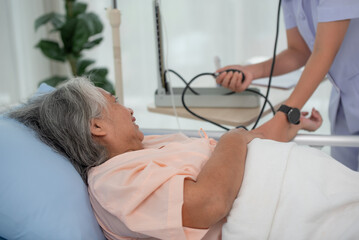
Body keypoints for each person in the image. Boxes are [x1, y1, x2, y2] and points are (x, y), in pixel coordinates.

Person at [7, 78, 324, 239]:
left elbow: (242, 150)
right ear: (97, 126)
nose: (129, 109)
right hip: (287, 215)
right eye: (115, 102)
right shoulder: (113, 183)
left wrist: (292, 121)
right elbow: (209, 202)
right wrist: (233, 136)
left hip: (299, 184)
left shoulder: (146, 147)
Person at [216, 0, 359, 170]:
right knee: (344, 183)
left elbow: (324, 51)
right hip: (345, 104)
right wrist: (252, 71)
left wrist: (286, 114)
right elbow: (299, 51)